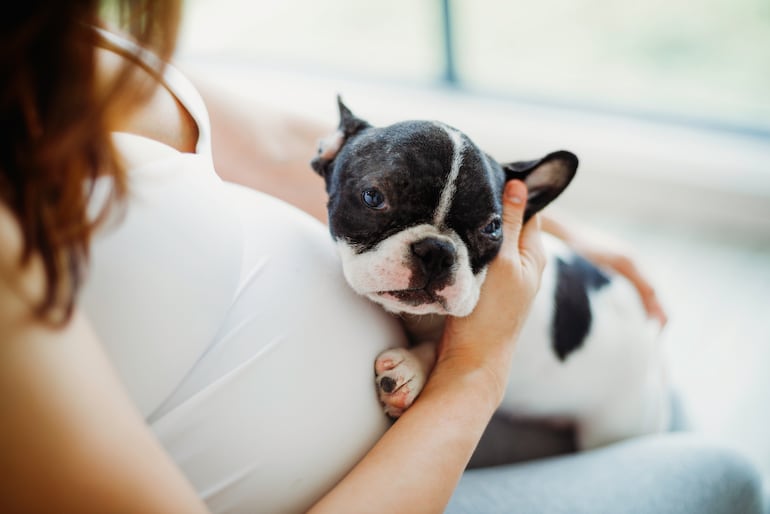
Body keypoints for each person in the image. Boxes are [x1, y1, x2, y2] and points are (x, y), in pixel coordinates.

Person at [0, 2, 764, 513]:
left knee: (656, 381)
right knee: (723, 476)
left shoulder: (45, 47)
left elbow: (277, 145)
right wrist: (473, 373)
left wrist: (535, 220)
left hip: (446, 406)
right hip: (392, 475)